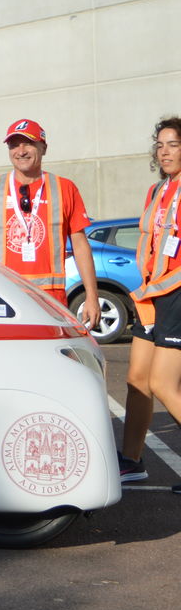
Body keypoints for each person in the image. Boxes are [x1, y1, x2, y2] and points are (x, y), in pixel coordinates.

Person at [0, 120, 99, 328]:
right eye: (14, 145)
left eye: (28, 143)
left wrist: (92, 297)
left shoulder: (64, 188)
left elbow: (80, 245)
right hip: (3, 297)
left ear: (44, 148)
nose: (21, 151)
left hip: (51, 302)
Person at [120, 117, 181, 490]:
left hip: (176, 295)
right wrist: (146, 289)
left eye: (173, 144)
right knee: (136, 381)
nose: (164, 151)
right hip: (152, 295)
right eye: (160, 144)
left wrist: (160, 289)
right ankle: (131, 461)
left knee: (162, 382)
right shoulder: (157, 190)